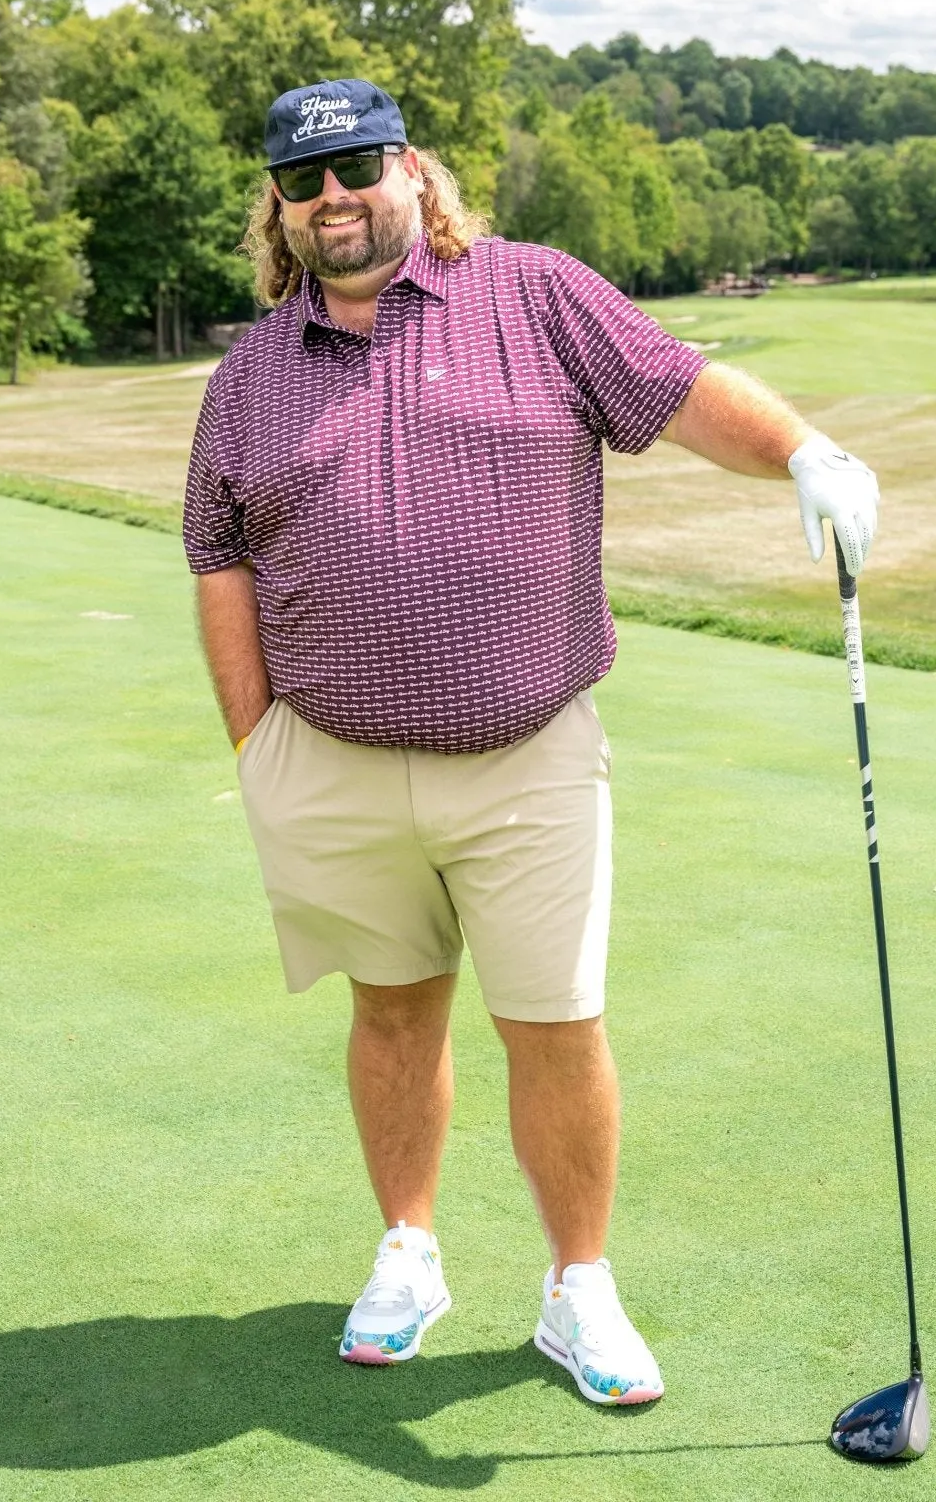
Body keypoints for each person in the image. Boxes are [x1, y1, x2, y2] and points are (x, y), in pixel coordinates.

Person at [184, 77, 879, 1408]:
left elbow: (678, 392)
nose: (336, 197)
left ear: (414, 173)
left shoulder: (535, 295)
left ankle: (578, 1287)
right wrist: (256, 746)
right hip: (329, 761)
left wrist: (804, 453)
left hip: (527, 756)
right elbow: (217, 555)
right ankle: (409, 1249)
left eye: (360, 167)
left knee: (553, 1022)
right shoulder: (250, 374)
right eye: (304, 180)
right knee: (390, 1017)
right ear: (278, 207)